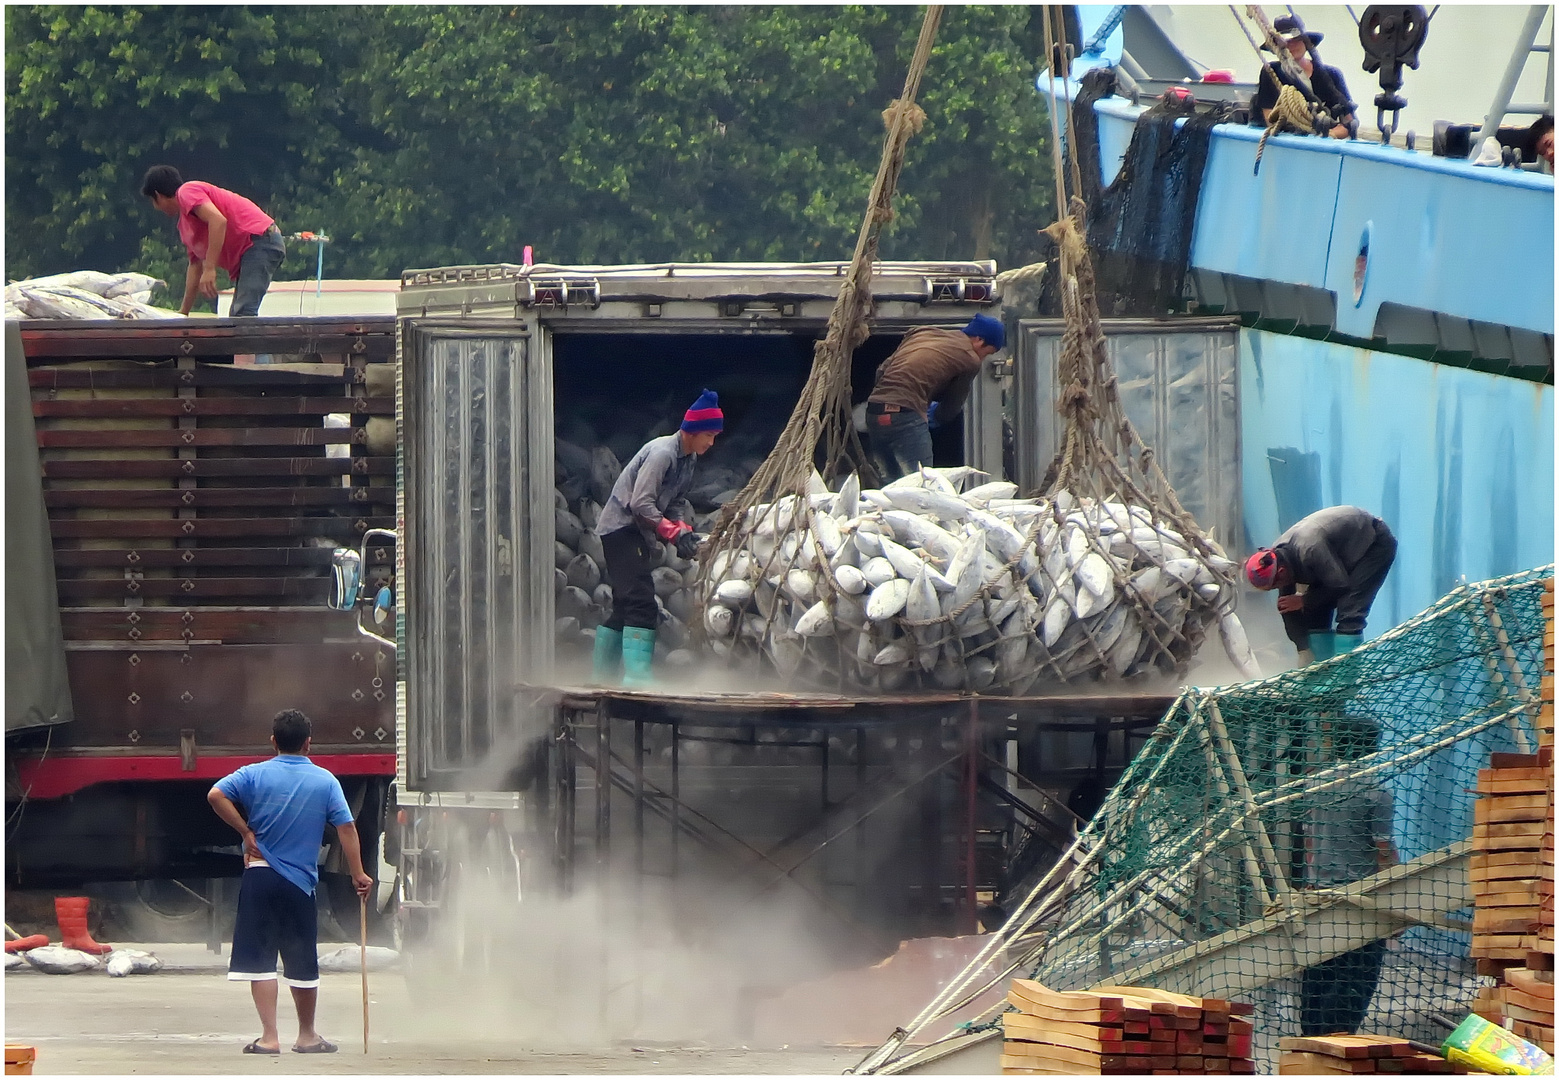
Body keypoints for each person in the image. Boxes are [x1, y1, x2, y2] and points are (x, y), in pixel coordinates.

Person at [207, 709, 373, 1055]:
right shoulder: (325, 781)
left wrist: (245, 831)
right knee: (301, 959)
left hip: (260, 874)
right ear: (309, 743)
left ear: (273, 741)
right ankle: (307, 1035)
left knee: (260, 960)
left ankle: (269, 1038)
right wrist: (357, 873)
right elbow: (346, 828)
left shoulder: (253, 774)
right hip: (299, 883)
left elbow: (215, 795)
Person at [592, 389, 722, 686]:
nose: (711, 443)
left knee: (625, 605)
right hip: (622, 529)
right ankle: (636, 677)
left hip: (635, 532)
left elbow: (675, 501)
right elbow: (640, 504)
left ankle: (602, 677)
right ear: (693, 430)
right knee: (642, 602)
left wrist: (683, 532)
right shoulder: (663, 453)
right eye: (709, 436)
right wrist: (671, 532)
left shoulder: (688, 459)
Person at [1298, 716, 1398, 1035]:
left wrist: (1312, 879)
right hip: (1361, 902)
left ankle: (1310, 1043)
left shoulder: (1315, 785)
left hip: (1319, 897)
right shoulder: (1376, 793)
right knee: (1355, 979)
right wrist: (1397, 902)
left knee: (1318, 974)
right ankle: (1337, 1043)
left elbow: (1309, 842)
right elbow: (1383, 849)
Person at [1245, 506, 1397, 664]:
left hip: (1372, 544)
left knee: (1350, 610)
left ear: (1281, 572)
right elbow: (1287, 607)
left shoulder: (1310, 549)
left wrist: (1303, 601)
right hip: (1337, 558)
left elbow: (1340, 585)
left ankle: (1346, 681)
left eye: (1274, 586)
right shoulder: (1278, 557)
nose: (1277, 589)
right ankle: (1321, 678)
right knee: (1315, 615)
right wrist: (1302, 648)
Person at [865, 313, 1004, 481]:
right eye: (987, 353)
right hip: (906, 415)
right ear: (979, 340)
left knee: (889, 484)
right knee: (921, 482)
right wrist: (934, 416)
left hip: (874, 412)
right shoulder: (970, 360)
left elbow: (881, 371)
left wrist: (888, 401)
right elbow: (952, 405)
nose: (983, 358)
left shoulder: (922, 333)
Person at [140, 165, 286, 317]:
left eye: (153, 201)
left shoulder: (186, 191)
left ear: (158, 195)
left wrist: (209, 269)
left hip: (260, 240)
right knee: (238, 315)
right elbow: (195, 267)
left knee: (244, 313)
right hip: (253, 247)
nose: (156, 207)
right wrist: (183, 313)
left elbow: (218, 220)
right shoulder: (186, 225)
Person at [1252, 16, 1355, 140]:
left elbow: (1349, 123)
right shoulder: (1271, 72)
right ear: (1276, 46)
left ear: (1306, 42)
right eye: (1286, 41)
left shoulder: (1331, 75)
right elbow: (1271, 118)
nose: (1291, 45)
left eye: (1297, 39)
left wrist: (1328, 135)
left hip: (1323, 142)